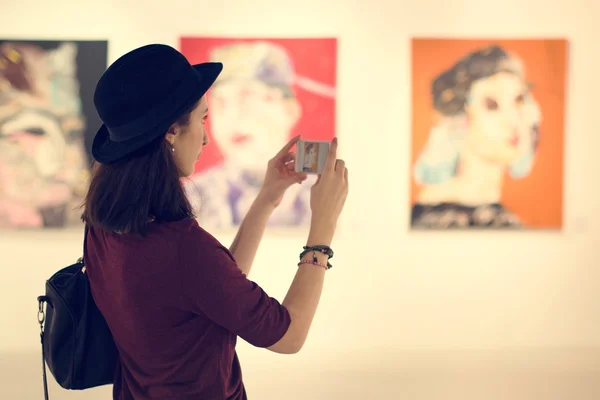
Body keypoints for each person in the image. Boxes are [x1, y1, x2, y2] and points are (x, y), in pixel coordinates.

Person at [80, 44, 348, 400]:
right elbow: (289, 335)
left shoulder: (103, 228)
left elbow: (211, 287)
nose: (206, 137)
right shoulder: (181, 247)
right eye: (202, 118)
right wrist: (323, 229)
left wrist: (267, 197)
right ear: (172, 132)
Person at [411, 45, 541, 228]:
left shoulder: (505, 221)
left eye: (519, 100)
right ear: (461, 117)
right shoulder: (431, 219)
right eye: (492, 104)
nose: (514, 120)